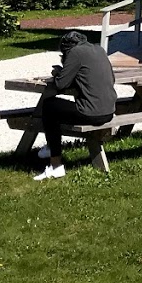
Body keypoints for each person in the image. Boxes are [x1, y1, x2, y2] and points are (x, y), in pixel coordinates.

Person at [33, 30, 117, 181]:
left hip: (91, 113)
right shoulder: (98, 49)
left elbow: (60, 85)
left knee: (49, 106)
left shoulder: (75, 53)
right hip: (109, 110)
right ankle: (51, 147)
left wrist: (59, 72)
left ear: (66, 48)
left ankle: (55, 163)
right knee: (55, 108)